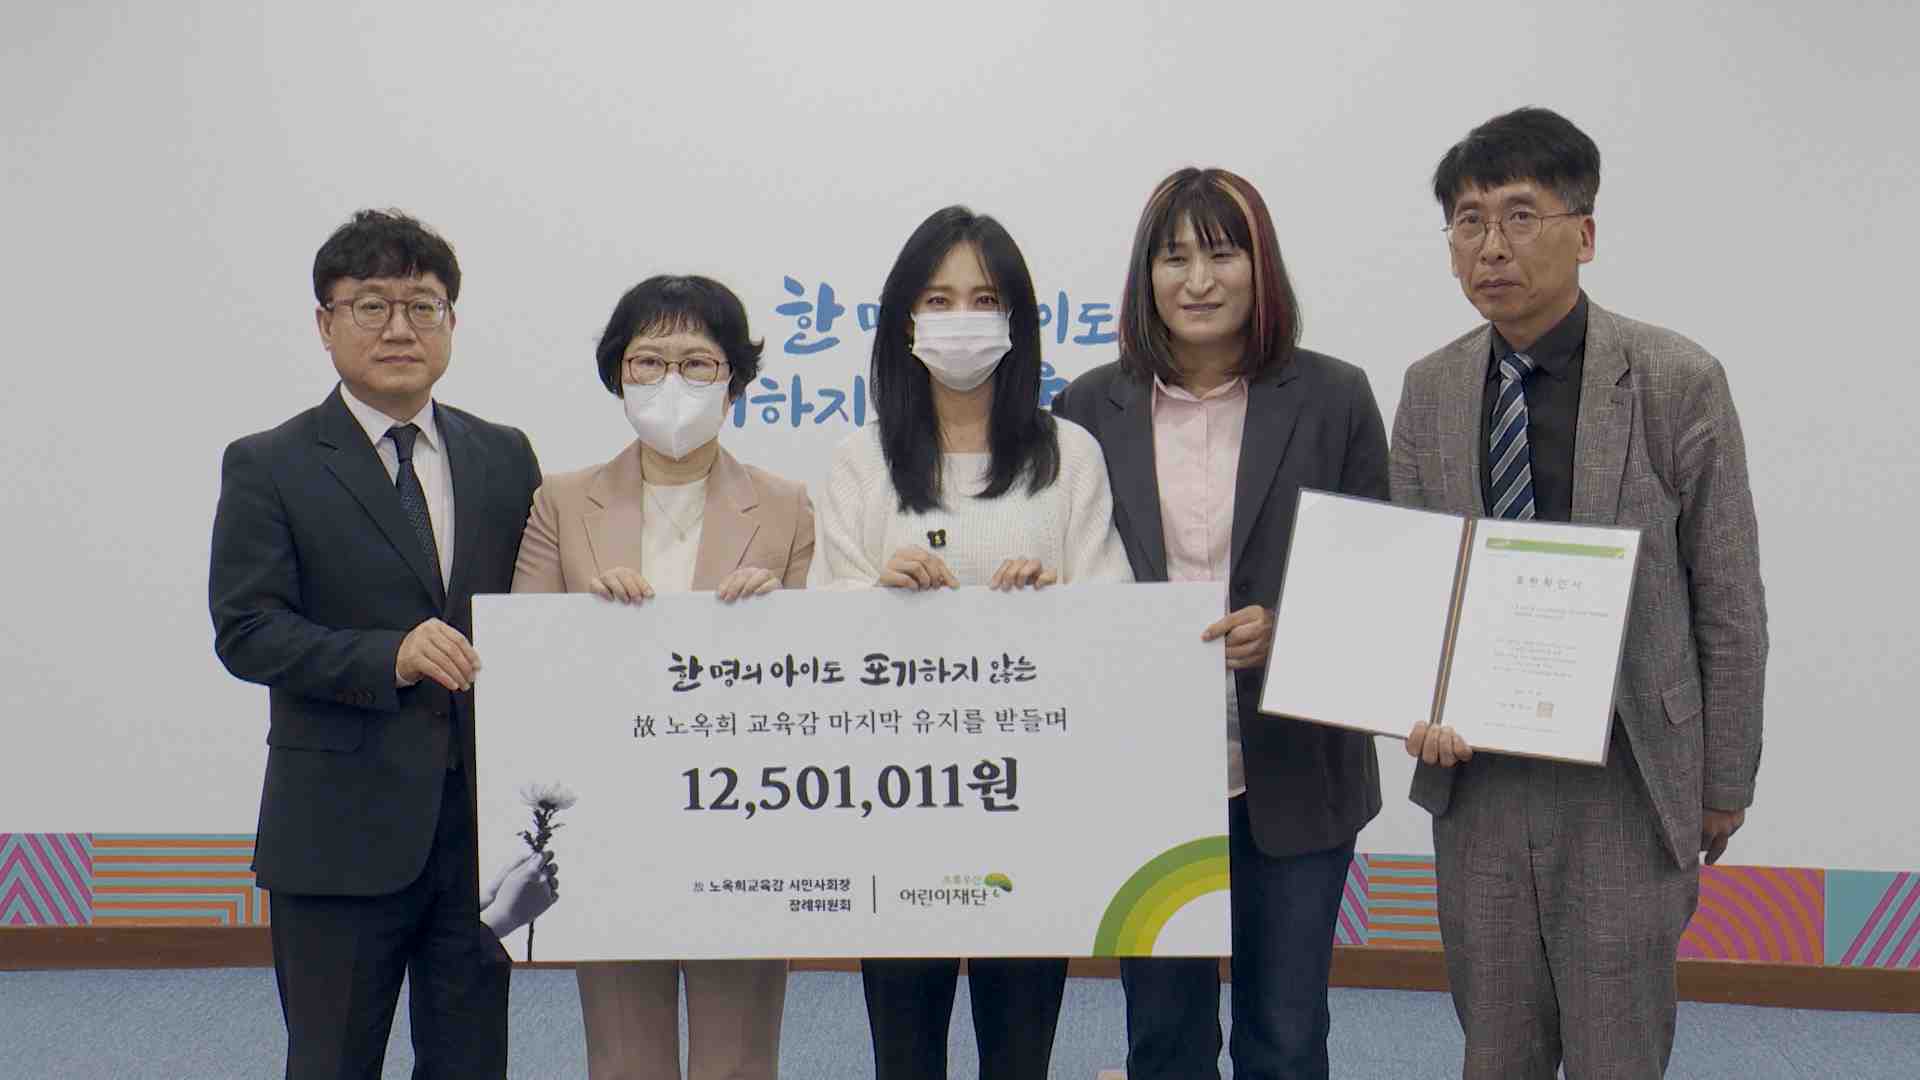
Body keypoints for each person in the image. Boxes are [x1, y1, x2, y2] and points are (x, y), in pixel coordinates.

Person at [1393, 107, 1768, 1079]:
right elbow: (1416, 589)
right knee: (1496, 1049)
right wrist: (1411, 701)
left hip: (1626, 775)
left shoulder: (1676, 379)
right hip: (1480, 778)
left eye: (1521, 216)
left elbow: (1728, 594)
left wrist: (1723, 781)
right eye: (1468, 221)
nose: (1492, 247)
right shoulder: (1431, 389)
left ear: (1585, 233)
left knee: (1617, 1052)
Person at [1052, 168, 1388, 1080]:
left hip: (1298, 763)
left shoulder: (1335, 397)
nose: (1198, 280)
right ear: (1146, 276)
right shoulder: (1086, 407)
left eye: (1222, 254)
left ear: (1260, 267)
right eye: (1174, 258)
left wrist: (1290, 628)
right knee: (1164, 1040)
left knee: (1285, 1038)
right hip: (1144, 775)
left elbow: (1379, 580)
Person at [209, 209, 542, 1078]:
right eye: (371, 305)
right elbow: (247, 630)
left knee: (472, 1062)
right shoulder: (269, 463)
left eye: (423, 305)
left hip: (479, 837)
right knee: (333, 1061)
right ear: (325, 323)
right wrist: (386, 656)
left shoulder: (505, 456)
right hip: (337, 831)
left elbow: (537, 612)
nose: (400, 328)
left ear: (451, 323)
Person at [818, 205, 1132, 1079]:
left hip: (1035, 808)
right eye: (939, 299)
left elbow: (1114, 616)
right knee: (905, 1056)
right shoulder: (859, 460)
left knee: (1019, 1054)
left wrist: (1053, 603)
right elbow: (821, 625)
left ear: (1018, 321)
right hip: (896, 811)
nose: (962, 319)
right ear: (903, 321)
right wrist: (879, 596)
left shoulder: (1071, 453)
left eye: (985, 299)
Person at [511, 274, 810, 1080]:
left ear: (735, 380)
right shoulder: (561, 501)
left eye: (697, 362)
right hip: (608, 819)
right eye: (648, 361)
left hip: (744, 819)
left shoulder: (786, 505)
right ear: (617, 375)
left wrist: (779, 618)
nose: (671, 381)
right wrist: (586, 623)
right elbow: (525, 661)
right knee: (624, 1057)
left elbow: (822, 679)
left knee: (736, 1061)